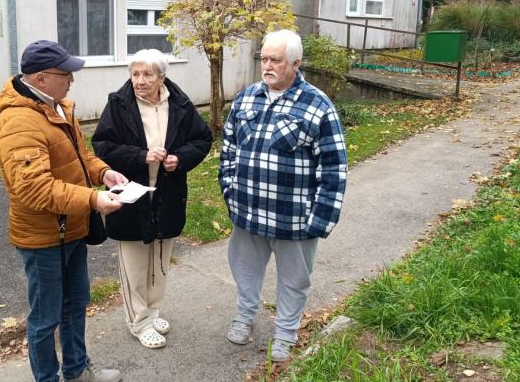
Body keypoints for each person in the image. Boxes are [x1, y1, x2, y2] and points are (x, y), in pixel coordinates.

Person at [0, 40, 128, 382]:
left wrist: (102, 172)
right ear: (40, 78)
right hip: (42, 238)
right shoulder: (19, 122)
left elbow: (79, 157)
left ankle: (76, 370)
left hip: (74, 228)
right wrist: (94, 200)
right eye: (65, 74)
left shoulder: (59, 107)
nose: (71, 79)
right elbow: (34, 188)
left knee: (75, 306)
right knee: (45, 318)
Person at [218, 29, 348, 362]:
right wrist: (230, 189)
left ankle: (285, 335)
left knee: (294, 280)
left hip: (295, 217)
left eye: (276, 59)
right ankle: (245, 318)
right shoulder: (246, 98)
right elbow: (229, 149)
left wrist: (321, 218)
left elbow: (333, 167)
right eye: (264, 58)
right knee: (245, 271)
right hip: (247, 212)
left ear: (295, 63)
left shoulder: (318, 105)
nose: (268, 65)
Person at [92, 49, 212, 349]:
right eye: (135, 74)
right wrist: (141, 156)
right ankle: (139, 321)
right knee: (134, 264)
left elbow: (201, 140)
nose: (139, 80)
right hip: (132, 197)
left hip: (167, 195)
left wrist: (180, 159)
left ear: (162, 76)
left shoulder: (181, 104)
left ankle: (153, 311)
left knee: (159, 261)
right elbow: (102, 146)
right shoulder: (119, 105)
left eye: (147, 74)